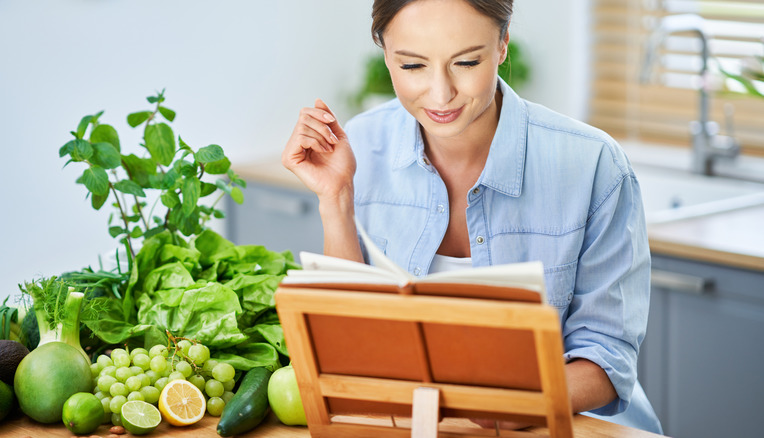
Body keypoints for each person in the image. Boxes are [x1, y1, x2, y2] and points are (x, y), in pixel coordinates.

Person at [281, 0, 662, 434]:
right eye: (412, 66)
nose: (441, 94)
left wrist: (512, 404)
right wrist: (337, 199)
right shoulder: (361, 144)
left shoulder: (593, 164)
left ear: (502, 45)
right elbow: (349, 343)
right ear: (385, 52)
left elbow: (607, 357)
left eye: (465, 62)